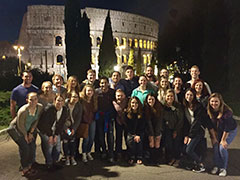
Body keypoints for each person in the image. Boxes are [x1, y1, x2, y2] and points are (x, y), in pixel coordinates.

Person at [9, 92, 43, 176]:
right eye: (31, 99)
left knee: (32, 146)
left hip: (28, 129)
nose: (33, 101)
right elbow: (20, 125)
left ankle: (29, 165)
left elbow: (36, 120)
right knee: (25, 148)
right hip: (16, 130)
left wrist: (31, 133)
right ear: (27, 100)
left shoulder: (39, 107)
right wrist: (25, 135)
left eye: (35, 99)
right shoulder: (23, 111)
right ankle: (25, 169)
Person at [182, 88, 214, 172]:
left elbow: (197, 123)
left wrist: (190, 136)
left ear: (194, 96)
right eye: (187, 95)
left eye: (191, 95)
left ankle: (201, 165)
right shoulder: (185, 106)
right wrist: (186, 135)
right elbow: (185, 122)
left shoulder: (199, 107)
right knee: (186, 148)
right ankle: (193, 164)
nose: (189, 97)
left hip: (198, 131)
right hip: (190, 131)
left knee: (189, 150)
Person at [207, 93, 237, 177]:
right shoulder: (210, 111)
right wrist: (213, 137)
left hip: (230, 130)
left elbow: (227, 128)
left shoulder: (227, 112)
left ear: (220, 102)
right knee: (215, 146)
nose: (214, 103)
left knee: (222, 148)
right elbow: (210, 126)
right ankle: (216, 165)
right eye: (212, 101)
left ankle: (223, 168)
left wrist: (223, 140)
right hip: (218, 130)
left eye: (216, 101)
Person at [38, 94, 68, 170]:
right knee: (49, 145)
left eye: (62, 101)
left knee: (57, 145)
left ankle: (55, 161)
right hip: (45, 130)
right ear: (54, 101)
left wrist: (56, 135)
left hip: (55, 130)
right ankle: (49, 163)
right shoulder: (49, 109)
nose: (59, 103)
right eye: (58, 100)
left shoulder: (64, 110)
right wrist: (51, 136)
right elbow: (45, 124)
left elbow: (61, 124)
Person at [95, 77, 115, 162]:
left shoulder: (112, 92)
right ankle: (103, 151)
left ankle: (111, 153)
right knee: (101, 135)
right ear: (100, 84)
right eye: (102, 83)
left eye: (105, 82)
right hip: (100, 117)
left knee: (110, 136)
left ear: (108, 83)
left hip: (109, 117)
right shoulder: (96, 92)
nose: (103, 85)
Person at [162, 89, 184, 166]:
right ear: (165, 97)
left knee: (176, 144)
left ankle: (177, 159)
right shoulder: (163, 106)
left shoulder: (178, 106)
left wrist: (176, 130)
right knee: (168, 144)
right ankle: (170, 158)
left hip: (176, 129)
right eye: (168, 96)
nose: (170, 98)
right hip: (167, 129)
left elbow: (181, 119)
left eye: (171, 96)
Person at [63, 91, 82, 166]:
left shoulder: (79, 105)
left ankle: (72, 157)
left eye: (76, 97)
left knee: (73, 142)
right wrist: (66, 129)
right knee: (66, 142)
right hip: (65, 127)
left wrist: (74, 129)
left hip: (73, 126)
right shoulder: (65, 105)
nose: (75, 99)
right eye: (73, 97)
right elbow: (62, 118)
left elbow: (78, 118)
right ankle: (67, 158)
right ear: (69, 97)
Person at [79, 85, 98, 163]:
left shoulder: (94, 100)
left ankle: (88, 152)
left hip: (92, 121)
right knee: (86, 139)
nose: (89, 92)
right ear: (85, 91)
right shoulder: (82, 100)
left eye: (91, 91)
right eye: (88, 90)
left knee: (92, 138)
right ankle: (84, 153)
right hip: (84, 122)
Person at [125, 97, 146, 165]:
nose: (134, 104)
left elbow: (142, 126)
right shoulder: (127, 113)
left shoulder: (142, 113)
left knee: (139, 140)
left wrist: (137, 134)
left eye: (136, 103)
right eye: (133, 103)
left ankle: (139, 157)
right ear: (130, 104)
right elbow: (127, 126)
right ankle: (132, 156)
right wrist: (133, 134)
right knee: (130, 140)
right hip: (131, 132)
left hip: (140, 132)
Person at [144, 93, 163, 164]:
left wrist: (157, 134)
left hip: (158, 128)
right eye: (149, 99)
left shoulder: (159, 107)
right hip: (148, 129)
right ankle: (151, 159)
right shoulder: (145, 109)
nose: (151, 101)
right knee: (151, 142)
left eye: (152, 99)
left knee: (157, 142)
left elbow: (160, 122)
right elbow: (148, 123)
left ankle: (157, 159)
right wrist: (151, 134)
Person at [112, 89, 128, 160]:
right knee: (118, 137)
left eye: (121, 95)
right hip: (118, 121)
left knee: (127, 137)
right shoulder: (113, 103)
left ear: (124, 95)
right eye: (118, 96)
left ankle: (128, 153)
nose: (120, 97)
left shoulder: (127, 101)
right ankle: (118, 153)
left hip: (127, 121)